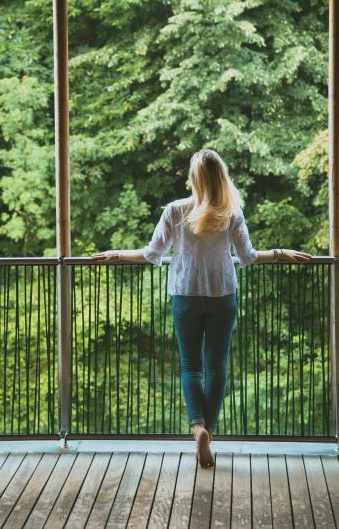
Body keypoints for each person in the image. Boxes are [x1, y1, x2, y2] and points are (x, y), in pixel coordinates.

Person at [90, 149, 311, 468]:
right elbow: (248, 256)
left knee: (190, 366)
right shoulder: (231, 212)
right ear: (221, 177)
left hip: (185, 295)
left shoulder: (175, 211)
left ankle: (197, 429)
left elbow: (152, 252)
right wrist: (279, 252)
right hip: (222, 294)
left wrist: (116, 254)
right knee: (217, 367)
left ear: (195, 179)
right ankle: (210, 430)